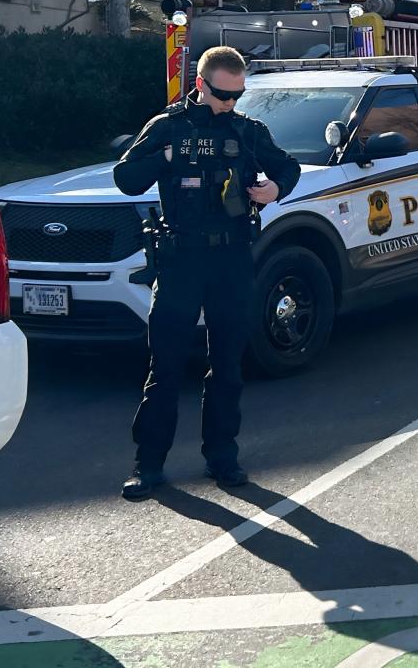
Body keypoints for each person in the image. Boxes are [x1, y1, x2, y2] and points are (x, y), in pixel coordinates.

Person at [114, 46, 301, 500]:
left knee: (228, 365)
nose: (230, 104)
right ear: (201, 85)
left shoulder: (247, 130)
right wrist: (168, 156)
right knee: (167, 365)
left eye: (238, 95)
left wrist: (273, 189)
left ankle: (223, 457)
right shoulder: (167, 127)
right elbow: (127, 178)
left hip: (231, 259)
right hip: (181, 261)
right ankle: (149, 465)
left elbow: (288, 168)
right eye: (222, 94)